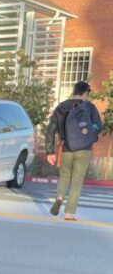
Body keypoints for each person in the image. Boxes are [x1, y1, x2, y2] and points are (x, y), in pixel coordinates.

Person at [45, 80, 102, 221]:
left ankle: (59, 197)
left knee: (64, 176)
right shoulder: (90, 107)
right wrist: (89, 136)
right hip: (84, 150)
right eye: (87, 93)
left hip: (65, 148)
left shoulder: (62, 107)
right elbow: (98, 126)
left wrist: (49, 151)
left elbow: (51, 129)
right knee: (77, 181)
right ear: (84, 93)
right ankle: (69, 214)